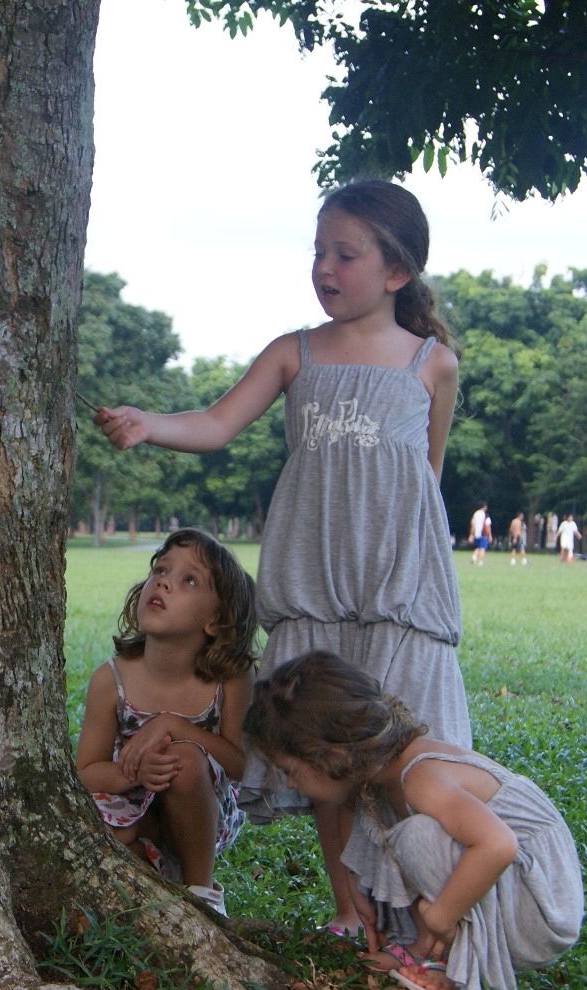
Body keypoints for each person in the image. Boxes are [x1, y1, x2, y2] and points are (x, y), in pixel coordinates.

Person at [94, 178, 467, 942]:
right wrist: (147, 424)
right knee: (322, 754)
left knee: (395, 750)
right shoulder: (294, 354)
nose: (325, 267)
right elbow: (217, 421)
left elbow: (425, 481)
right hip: (316, 591)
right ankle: (349, 910)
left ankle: (418, 907)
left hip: (395, 598)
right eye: (318, 251)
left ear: (397, 272)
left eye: (346, 254)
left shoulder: (432, 365)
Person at [244, 651, 583, 990]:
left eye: (291, 772)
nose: (291, 786)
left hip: (540, 908)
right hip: (514, 893)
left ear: (332, 756)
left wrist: (441, 916)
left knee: (417, 837)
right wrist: (355, 887)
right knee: (399, 833)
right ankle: (425, 948)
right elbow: (349, 814)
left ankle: (457, 965)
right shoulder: (380, 772)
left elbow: (498, 844)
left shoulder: (422, 777)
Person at [75, 529, 258, 917]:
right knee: (117, 832)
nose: (163, 581)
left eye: (188, 579)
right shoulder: (112, 680)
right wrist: (135, 773)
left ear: (215, 620)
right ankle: (156, 868)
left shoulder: (231, 678)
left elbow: (244, 766)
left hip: (200, 810)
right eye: (160, 569)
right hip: (134, 804)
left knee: (186, 759)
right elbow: (86, 772)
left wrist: (177, 727)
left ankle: (203, 895)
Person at [468, 501, 490, 565]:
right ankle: (481, 562)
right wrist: (489, 535)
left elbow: (472, 524)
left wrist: (471, 535)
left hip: (476, 534)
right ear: (484, 507)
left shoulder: (475, 514)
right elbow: (487, 525)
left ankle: (474, 558)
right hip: (483, 533)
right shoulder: (485, 515)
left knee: (478, 547)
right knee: (482, 548)